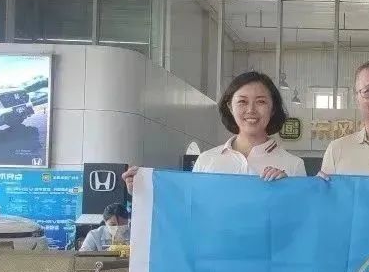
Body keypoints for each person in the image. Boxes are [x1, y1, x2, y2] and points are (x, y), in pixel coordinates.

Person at [123, 71, 305, 191]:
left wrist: (288, 190)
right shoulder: (207, 160)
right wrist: (144, 191)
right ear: (230, 107)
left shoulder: (292, 165)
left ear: (273, 109)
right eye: (242, 101)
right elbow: (189, 207)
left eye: (261, 102)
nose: (251, 110)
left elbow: (302, 220)